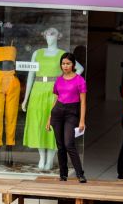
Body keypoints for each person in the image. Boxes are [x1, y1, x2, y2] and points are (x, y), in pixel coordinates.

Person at [21, 27, 83, 170]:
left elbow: (79, 68)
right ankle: (42, 158)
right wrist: (26, 98)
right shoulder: (37, 53)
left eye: (52, 34)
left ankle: (50, 160)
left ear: (58, 36)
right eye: (47, 34)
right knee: (38, 123)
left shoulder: (63, 54)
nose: (50, 36)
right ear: (44, 36)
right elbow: (31, 75)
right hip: (38, 90)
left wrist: (68, 83)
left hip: (55, 91)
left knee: (55, 124)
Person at [46, 52, 87, 183]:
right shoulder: (58, 80)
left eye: (68, 63)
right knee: (60, 146)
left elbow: (83, 102)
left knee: (69, 143)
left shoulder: (80, 80)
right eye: (63, 63)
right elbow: (56, 99)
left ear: (73, 65)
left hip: (71, 113)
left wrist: (82, 121)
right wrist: (49, 118)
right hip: (57, 113)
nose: (65, 66)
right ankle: (63, 174)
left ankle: (80, 174)